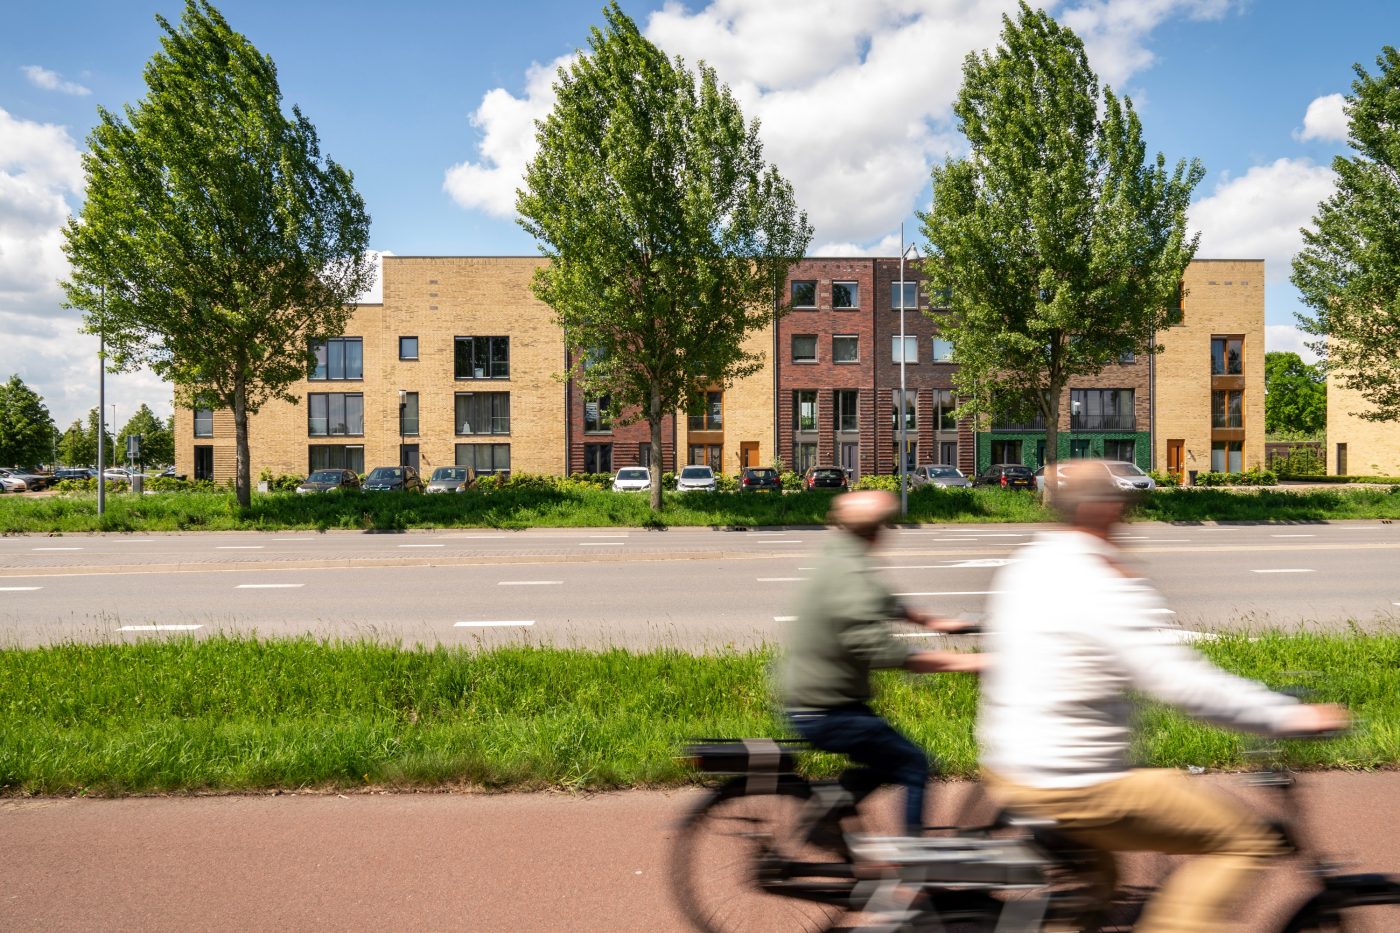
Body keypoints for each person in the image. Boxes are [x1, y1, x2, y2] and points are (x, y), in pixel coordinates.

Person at [978, 459, 1348, 933]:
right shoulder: (1100, 581)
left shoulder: (1032, 561)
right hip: (1075, 779)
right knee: (1242, 840)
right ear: (1106, 509)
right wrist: (1288, 717)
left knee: (1096, 889)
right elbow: (1180, 682)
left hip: (1011, 764)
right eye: (1125, 506)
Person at [778, 489, 985, 840]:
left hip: (814, 697)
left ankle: (829, 808)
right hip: (827, 710)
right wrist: (967, 663)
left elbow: (880, 599)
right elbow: (879, 649)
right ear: (876, 531)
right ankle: (914, 861)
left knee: (883, 759)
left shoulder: (840, 555)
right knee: (914, 763)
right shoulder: (852, 574)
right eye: (886, 525)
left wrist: (934, 622)